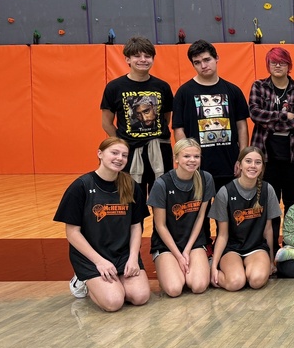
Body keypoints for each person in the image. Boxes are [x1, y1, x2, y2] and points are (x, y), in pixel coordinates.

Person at [54, 137, 150, 311]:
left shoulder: (131, 186)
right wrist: (99, 262)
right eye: (114, 153)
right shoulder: (81, 186)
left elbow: (136, 226)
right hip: (92, 257)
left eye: (124, 155)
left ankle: (115, 282)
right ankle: (82, 280)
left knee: (140, 296)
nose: (119, 158)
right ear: (100, 154)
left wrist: (133, 257)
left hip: (122, 253)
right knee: (114, 302)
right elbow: (72, 233)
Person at [171, 40, 250, 194]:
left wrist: (242, 159)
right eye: (197, 62)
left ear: (216, 58)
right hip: (198, 167)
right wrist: (187, 160)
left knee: (229, 215)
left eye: (207, 60)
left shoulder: (233, 91)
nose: (203, 65)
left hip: (229, 165)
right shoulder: (183, 93)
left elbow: (242, 127)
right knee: (200, 216)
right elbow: (178, 129)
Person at [248, 46, 294, 245]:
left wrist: (271, 121)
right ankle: (270, 245)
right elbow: (255, 114)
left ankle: (291, 242)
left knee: (292, 201)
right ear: (268, 64)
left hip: (293, 155)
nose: (278, 66)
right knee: (269, 202)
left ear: (289, 65)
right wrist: (284, 115)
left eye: (282, 62)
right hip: (266, 155)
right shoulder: (259, 86)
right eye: (273, 62)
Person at [100, 36, 175, 190]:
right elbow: (106, 123)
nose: (143, 60)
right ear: (127, 59)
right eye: (137, 56)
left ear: (153, 59)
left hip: (160, 151)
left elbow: (166, 118)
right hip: (130, 152)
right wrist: (122, 142)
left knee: (161, 198)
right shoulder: (114, 87)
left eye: (147, 56)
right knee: (131, 199)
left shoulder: (162, 87)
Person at [149, 138, 215, 297]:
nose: (192, 160)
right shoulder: (162, 184)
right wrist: (178, 255)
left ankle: (201, 261)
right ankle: (166, 265)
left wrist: (187, 250)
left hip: (192, 242)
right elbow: (160, 226)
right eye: (187, 156)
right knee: (174, 289)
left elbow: (200, 217)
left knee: (198, 286)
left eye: (196, 157)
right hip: (166, 244)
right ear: (176, 158)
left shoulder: (206, 179)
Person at [210, 146, 278, 291]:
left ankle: (247, 269)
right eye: (248, 161)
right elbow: (222, 234)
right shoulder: (225, 192)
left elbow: (268, 229)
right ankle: (230, 271)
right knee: (235, 283)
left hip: (256, 248)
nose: (253, 166)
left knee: (256, 281)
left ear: (262, 167)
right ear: (239, 165)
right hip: (232, 249)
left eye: (258, 162)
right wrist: (214, 267)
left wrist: (271, 261)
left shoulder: (268, 190)